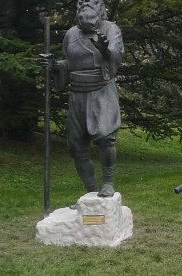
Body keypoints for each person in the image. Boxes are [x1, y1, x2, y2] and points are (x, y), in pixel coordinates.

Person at [41, 0, 124, 197]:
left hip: (101, 90)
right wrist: (53, 65)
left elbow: (116, 56)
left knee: (106, 138)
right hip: (77, 93)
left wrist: (105, 50)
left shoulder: (110, 29)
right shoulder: (71, 34)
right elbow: (70, 63)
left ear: (99, 10)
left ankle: (108, 183)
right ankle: (91, 191)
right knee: (76, 146)